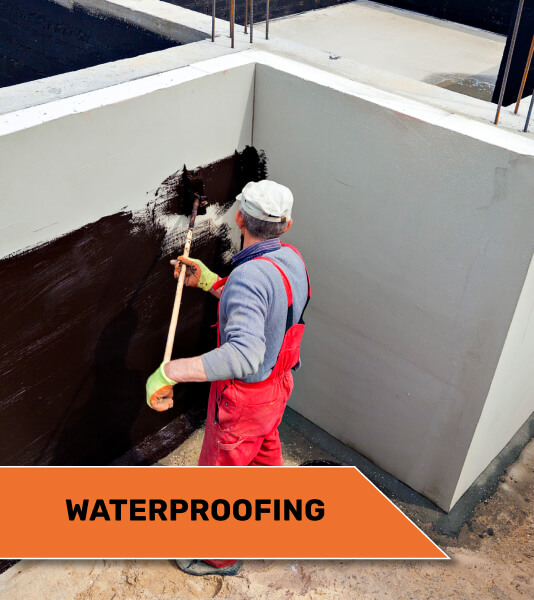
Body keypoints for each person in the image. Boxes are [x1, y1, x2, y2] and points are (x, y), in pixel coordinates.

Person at [145, 180, 311, 577]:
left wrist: (169, 371)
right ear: (286, 225)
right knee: (264, 448)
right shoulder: (291, 260)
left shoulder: (249, 277)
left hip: (244, 400)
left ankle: (219, 557)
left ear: (239, 218)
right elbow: (270, 314)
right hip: (277, 389)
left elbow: (242, 355)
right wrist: (209, 280)